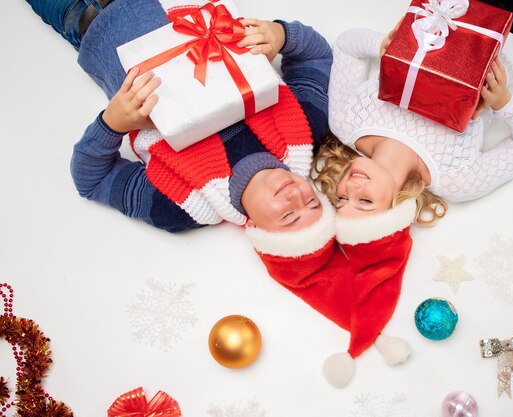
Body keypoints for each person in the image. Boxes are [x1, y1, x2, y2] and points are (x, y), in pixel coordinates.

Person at [24, 0, 411, 388]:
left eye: (288, 216)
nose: (295, 196)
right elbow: (314, 56)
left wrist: (113, 122)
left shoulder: (180, 204)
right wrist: (282, 35)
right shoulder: (306, 130)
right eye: (312, 201)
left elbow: (90, 179)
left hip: (90, 23)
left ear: (257, 230)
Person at [313, 0, 513, 232]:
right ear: (394, 210)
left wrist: (387, 48)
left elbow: (347, 45)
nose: (352, 189)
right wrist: (502, 102)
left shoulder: (345, 122)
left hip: (456, 6)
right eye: (364, 203)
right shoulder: (457, 181)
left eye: (341, 198)